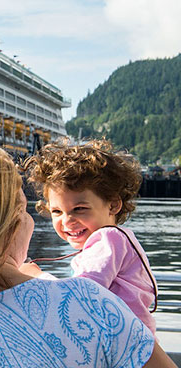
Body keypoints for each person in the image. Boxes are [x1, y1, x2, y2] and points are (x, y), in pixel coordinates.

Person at [0, 146, 175, 367]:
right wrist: (40, 280)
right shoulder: (90, 302)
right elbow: (80, 298)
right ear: (11, 222)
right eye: (28, 209)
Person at [24, 139, 158, 333]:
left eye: (79, 209)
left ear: (112, 205)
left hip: (122, 349)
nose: (67, 220)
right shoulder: (119, 239)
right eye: (57, 212)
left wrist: (37, 276)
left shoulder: (108, 239)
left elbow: (82, 295)